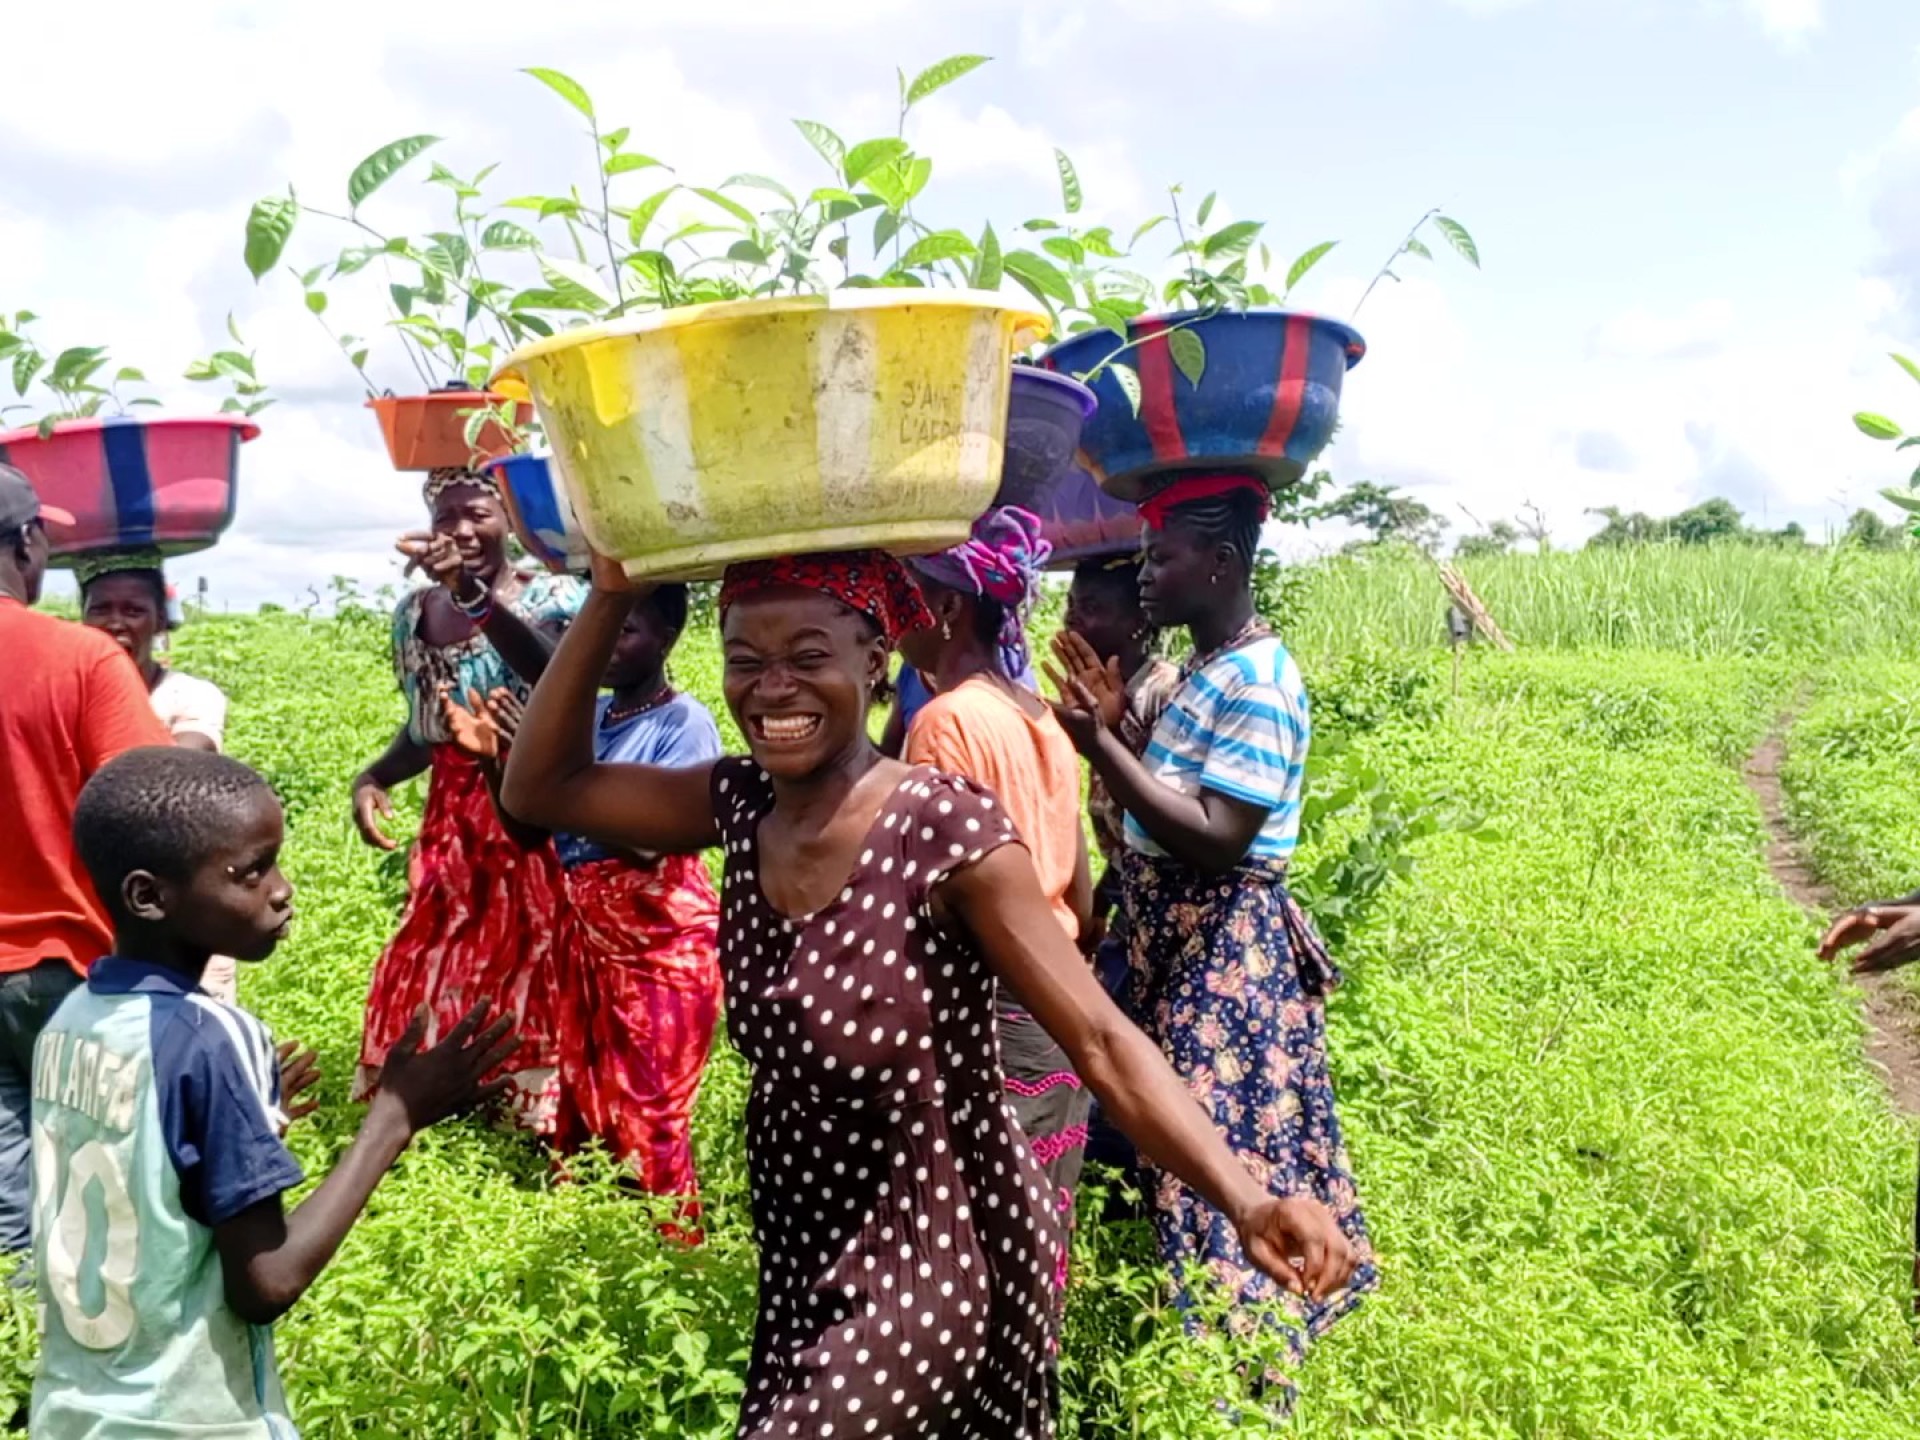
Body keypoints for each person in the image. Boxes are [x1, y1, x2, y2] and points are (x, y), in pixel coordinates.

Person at [499, 545, 1359, 1439]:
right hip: (805, 1252)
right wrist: (610, 593)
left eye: (807, 657)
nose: (772, 689)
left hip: (937, 1246)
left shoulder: (940, 825)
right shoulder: (742, 802)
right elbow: (544, 786)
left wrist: (1249, 1198)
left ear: (875, 663)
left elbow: (1099, 1038)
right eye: (745, 662)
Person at [32, 745, 516, 1436]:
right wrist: (396, 1114)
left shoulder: (71, 1019)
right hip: (189, 1421)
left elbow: (142, 1166)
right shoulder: (209, 1037)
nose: (281, 888)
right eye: (250, 872)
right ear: (149, 896)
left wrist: (234, 1117)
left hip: (71, 1413)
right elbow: (267, 1283)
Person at [1047, 473, 1378, 1400]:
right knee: (1167, 1144)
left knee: (1226, 1157)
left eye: (1164, 557)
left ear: (1223, 563)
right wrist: (1114, 730)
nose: (1147, 575)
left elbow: (1219, 831)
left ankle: (1251, 1383)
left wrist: (1098, 745)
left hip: (1224, 965)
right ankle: (1190, 1349)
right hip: (1173, 956)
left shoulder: (1262, 681)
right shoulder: (1203, 671)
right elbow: (1153, 817)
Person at [441, 585, 724, 1208]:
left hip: (659, 941)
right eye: (603, 633)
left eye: (629, 632)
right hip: (584, 939)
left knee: (652, 1109)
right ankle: (601, 1242)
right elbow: (528, 828)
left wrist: (568, 776)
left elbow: (654, 843)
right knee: (588, 1103)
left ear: (668, 638)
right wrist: (499, 760)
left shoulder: (684, 722)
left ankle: (676, 1254)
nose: (611, 649)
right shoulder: (589, 717)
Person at [896, 507, 1096, 1287]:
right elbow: (1075, 880)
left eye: (906, 595)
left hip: (993, 996)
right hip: (1056, 987)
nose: (892, 614)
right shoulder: (1037, 714)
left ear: (946, 609)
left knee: (975, 1222)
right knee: (1039, 1213)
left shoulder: (946, 722)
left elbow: (932, 895)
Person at [350, 467, 583, 1132]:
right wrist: (372, 776)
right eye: (445, 516)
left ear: (509, 517)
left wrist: (472, 592)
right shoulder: (415, 614)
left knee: (536, 949)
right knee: (436, 953)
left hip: (532, 803)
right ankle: (438, 1101)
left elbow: (557, 673)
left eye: (477, 513)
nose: (460, 530)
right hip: (453, 821)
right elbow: (429, 725)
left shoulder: (556, 597)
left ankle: (538, 1116)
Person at [0, 465, 172, 1257]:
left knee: (9, 1213)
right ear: (29, 542)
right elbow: (165, 808)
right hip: (72, 971)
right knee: (105, 1203)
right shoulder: (82, 660)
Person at [79, 549, 239, 1005]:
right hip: (93, 905)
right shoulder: (69, 694)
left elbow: (170, 773)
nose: (116, 623)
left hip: (181, 902)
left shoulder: (190, 696)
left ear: (161, 623)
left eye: (134, 610)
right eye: (101, 609)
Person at [1056, 554, 1182, 996]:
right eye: (1071, 604)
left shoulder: (1162, 691)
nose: (1073, 617)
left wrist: (1108, 734)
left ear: (1136, 620)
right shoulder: (1092, 692)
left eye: (1091, 607)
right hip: (1129, 897)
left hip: (1166, 909)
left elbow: (1160, 815)